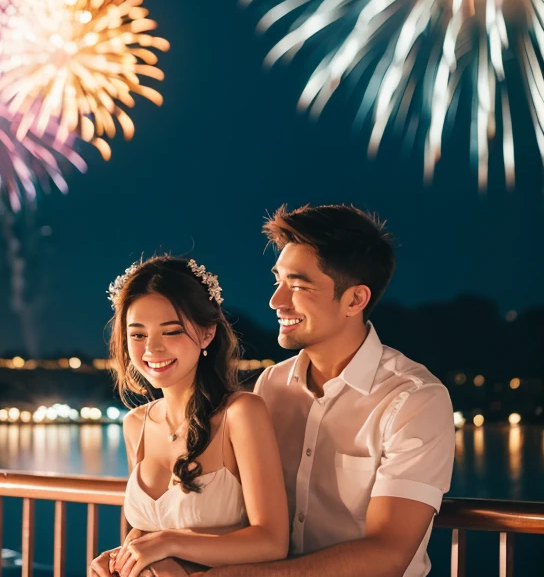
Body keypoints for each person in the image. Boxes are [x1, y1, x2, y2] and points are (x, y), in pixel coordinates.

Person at [192, 204, 456, 577]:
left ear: (355, 300)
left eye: (297, 285)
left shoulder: (414, 399)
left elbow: (389, 553)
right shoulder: (270, 386)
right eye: (277, 281)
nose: (276, 301)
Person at [90, 255, 289, 577]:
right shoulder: (135, 425)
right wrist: (120, 555)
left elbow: (271, 542)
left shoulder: (240, 414)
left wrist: (169, 542)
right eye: (138, 335)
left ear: (207, 333)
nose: (152, 349)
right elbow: (149, 530)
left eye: (171, 332)